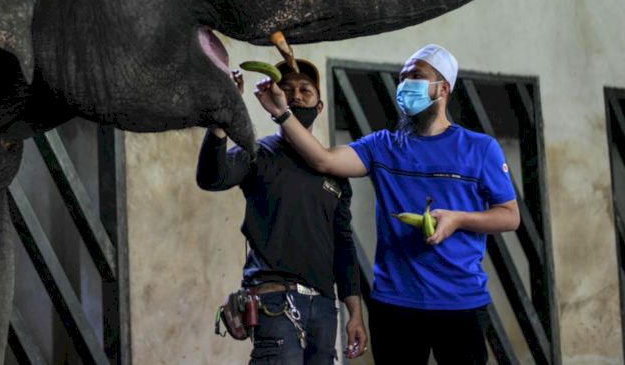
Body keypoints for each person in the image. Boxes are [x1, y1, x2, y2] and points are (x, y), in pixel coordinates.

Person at [253, 44, 519, 365]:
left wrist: (459, 219)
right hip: (395, 305)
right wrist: (282, 113)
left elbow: (509, 216)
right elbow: (323, 159)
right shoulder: (383, 145)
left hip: (461, 303)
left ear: (443, 88)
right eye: (402, 77)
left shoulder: (480, 148)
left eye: (416, 76)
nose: (405, 84)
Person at [197, 59, 368, 364]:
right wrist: (222, 121)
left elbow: (344, 246)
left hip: (324, 309)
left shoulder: (335, 172)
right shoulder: (258, 153)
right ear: (274, 100)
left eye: (305, 90)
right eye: (287, 89)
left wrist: (355, 312)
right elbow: (211, 178)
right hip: (275, 302)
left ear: (319, 106)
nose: (296, 96)